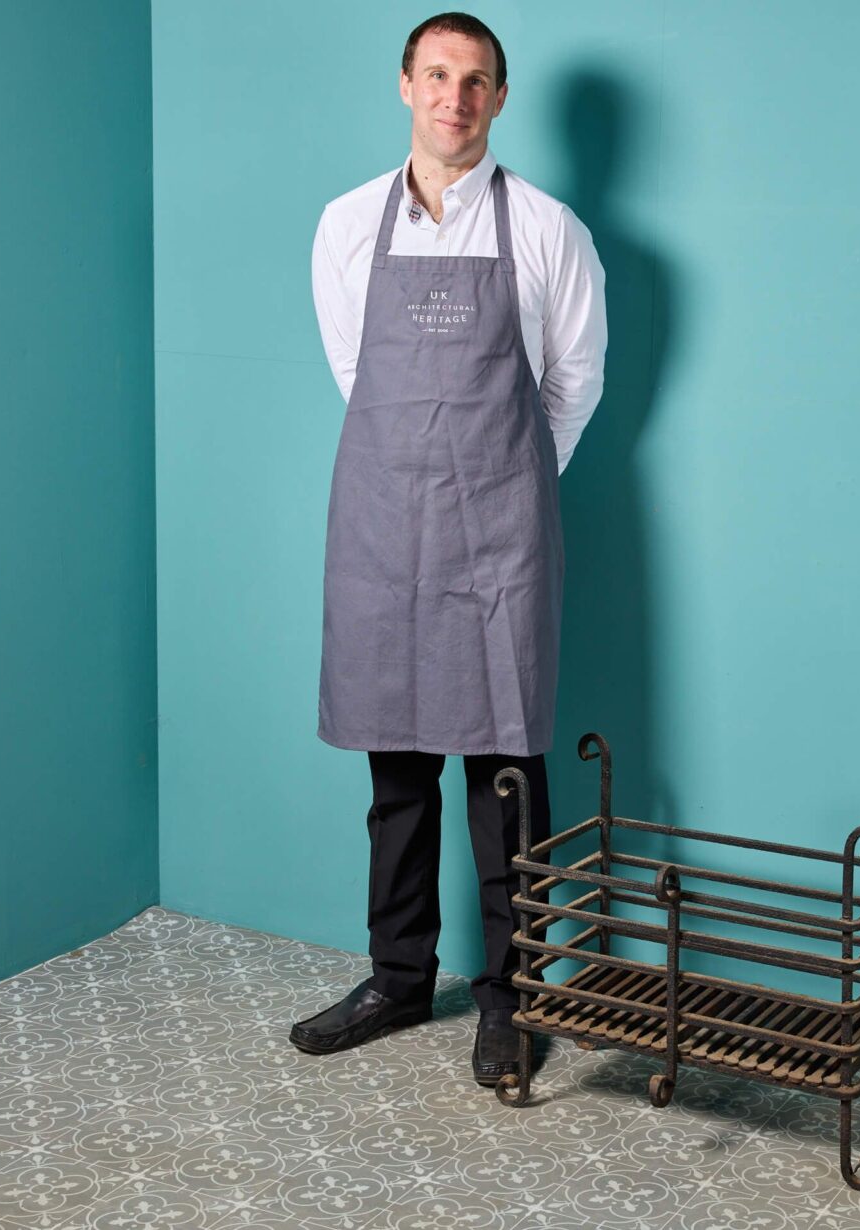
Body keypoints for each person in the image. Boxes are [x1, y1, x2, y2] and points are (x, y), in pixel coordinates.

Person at [289, 11, 606, 1085]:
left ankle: (513, 996)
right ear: (406, 85)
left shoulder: (549, 229)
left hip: (501, 536)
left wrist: (506, 481)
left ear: (500, 99)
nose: (454, 98)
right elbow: (357, 372)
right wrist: (419, 471)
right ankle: (397, 978)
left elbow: (574, 384)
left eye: (475, 81)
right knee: (396, 769)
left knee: (505, 768)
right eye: (437, 75)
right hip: (385, 527)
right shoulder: (346, 224)